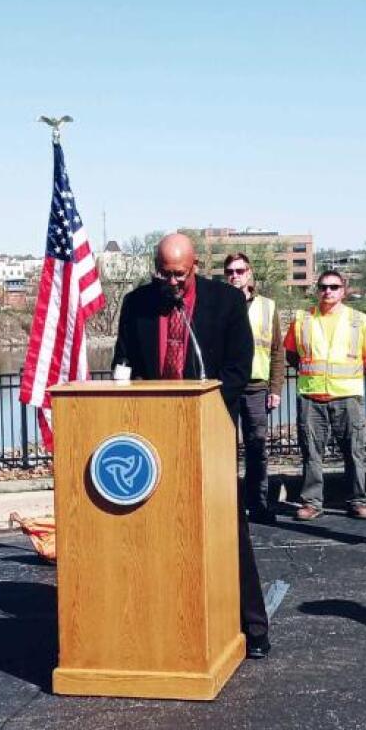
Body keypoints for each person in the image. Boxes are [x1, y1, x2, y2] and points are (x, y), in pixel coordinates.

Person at [112, 234, 272, 657]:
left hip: (210, 430)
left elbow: (238, 367)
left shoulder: (226, 301)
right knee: (159, 530)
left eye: (179, 275)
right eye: (164, 274)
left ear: (195, 266)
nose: (172, 283)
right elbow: (124, 362)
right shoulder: (136, 303)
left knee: (227, 525)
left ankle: (253, 627)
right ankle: (165, 624)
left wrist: (203, 410)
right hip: (154, 437)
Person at [284, 269, 366, 521]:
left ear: (343, 290)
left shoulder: (359, 320)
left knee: (354, 452)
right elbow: (292, 354)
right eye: (323, 287)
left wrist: (344, 378)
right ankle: (312, 503)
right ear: (318, 290)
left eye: (334, 287)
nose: (328, 291)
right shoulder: (302, 319)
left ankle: (357, 500)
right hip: (311, 395)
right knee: (311, 453)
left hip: (347, 396)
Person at [222, 253, 286, 523]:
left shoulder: (267, 307)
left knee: (257, 448)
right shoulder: (218, 304)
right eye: (230, 271)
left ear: (249, 273)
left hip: (257, 388)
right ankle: (226, 506)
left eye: (240, 270)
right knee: (223, 449)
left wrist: (275, 389)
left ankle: (257, 504)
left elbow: (277, 352)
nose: (235, 276)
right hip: (225, 388)